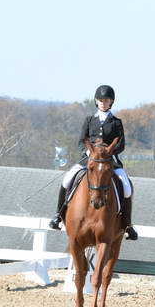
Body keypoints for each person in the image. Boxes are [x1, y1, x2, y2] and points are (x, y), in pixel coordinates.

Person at [49, 85, 138, 240]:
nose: (103, 102)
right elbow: (81, 141)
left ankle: (127, 225)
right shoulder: (89, 120)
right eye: (101, 100)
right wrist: (90, 151)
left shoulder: (116, 122)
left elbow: (121, 145)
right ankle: (58, 215)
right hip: (89, 160)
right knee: (67, 179)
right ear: (96, 101)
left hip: (110, 161)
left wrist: (108, 152)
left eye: (107, 100)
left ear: (111, 102)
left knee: (126, 186)